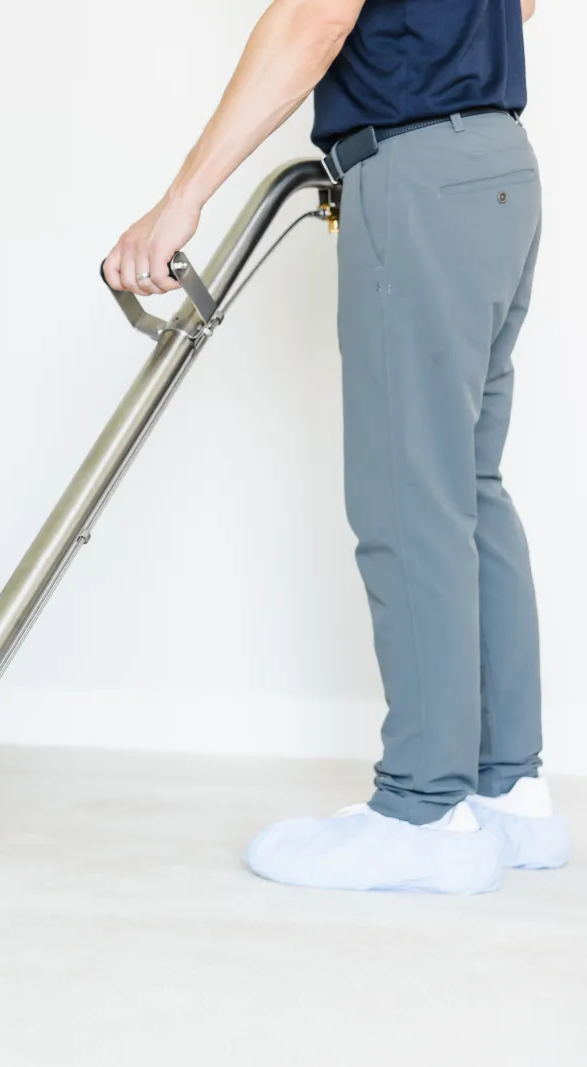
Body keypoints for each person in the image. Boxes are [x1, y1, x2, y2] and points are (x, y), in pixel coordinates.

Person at [104, 0, 566, 894]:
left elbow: (310, 22)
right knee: (468, 484)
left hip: (421, 174)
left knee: (412, 493)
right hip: (498, 167)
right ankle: (509, 792)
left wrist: (181, 201)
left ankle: (424, 808)